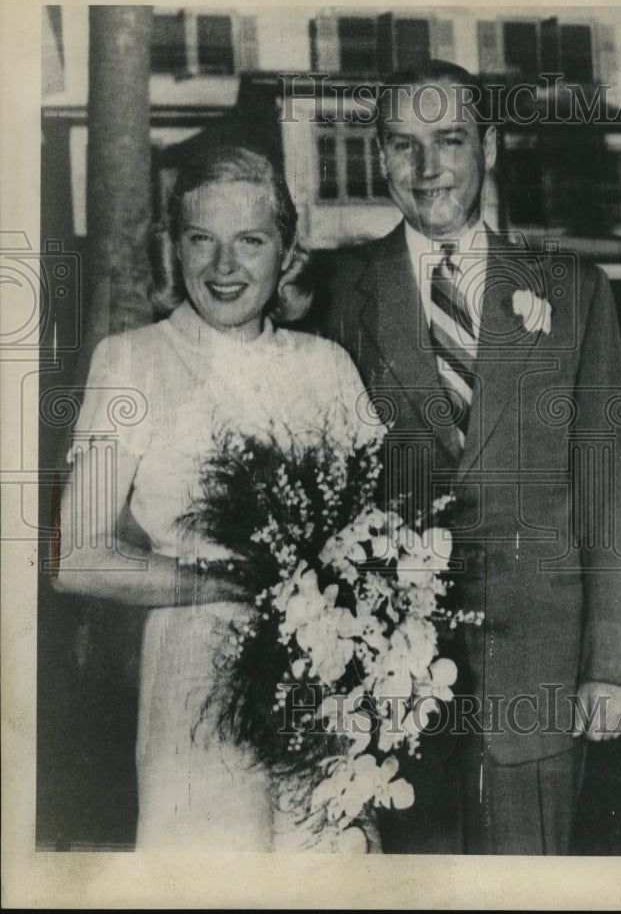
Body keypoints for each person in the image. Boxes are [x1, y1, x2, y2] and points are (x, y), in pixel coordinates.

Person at [319, 61, 621, 854]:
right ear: (381, 156)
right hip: (388, 681)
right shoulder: (339, 292)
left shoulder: (574, 290)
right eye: (403, 145)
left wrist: (614, 663)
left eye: (450, 140)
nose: (427, 169)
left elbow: (605, 492)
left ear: (488, 146)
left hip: (541, 670)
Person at [53, 145, 379, 852]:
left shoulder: (327, 366)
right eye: (202, 241)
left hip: (322, 679)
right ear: (176, 248)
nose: (224, 268)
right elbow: (76, 557)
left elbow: (374, 544)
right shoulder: (133, 360)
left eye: (249, 242)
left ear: (287, 252)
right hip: (195, 680)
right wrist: (218, 582)